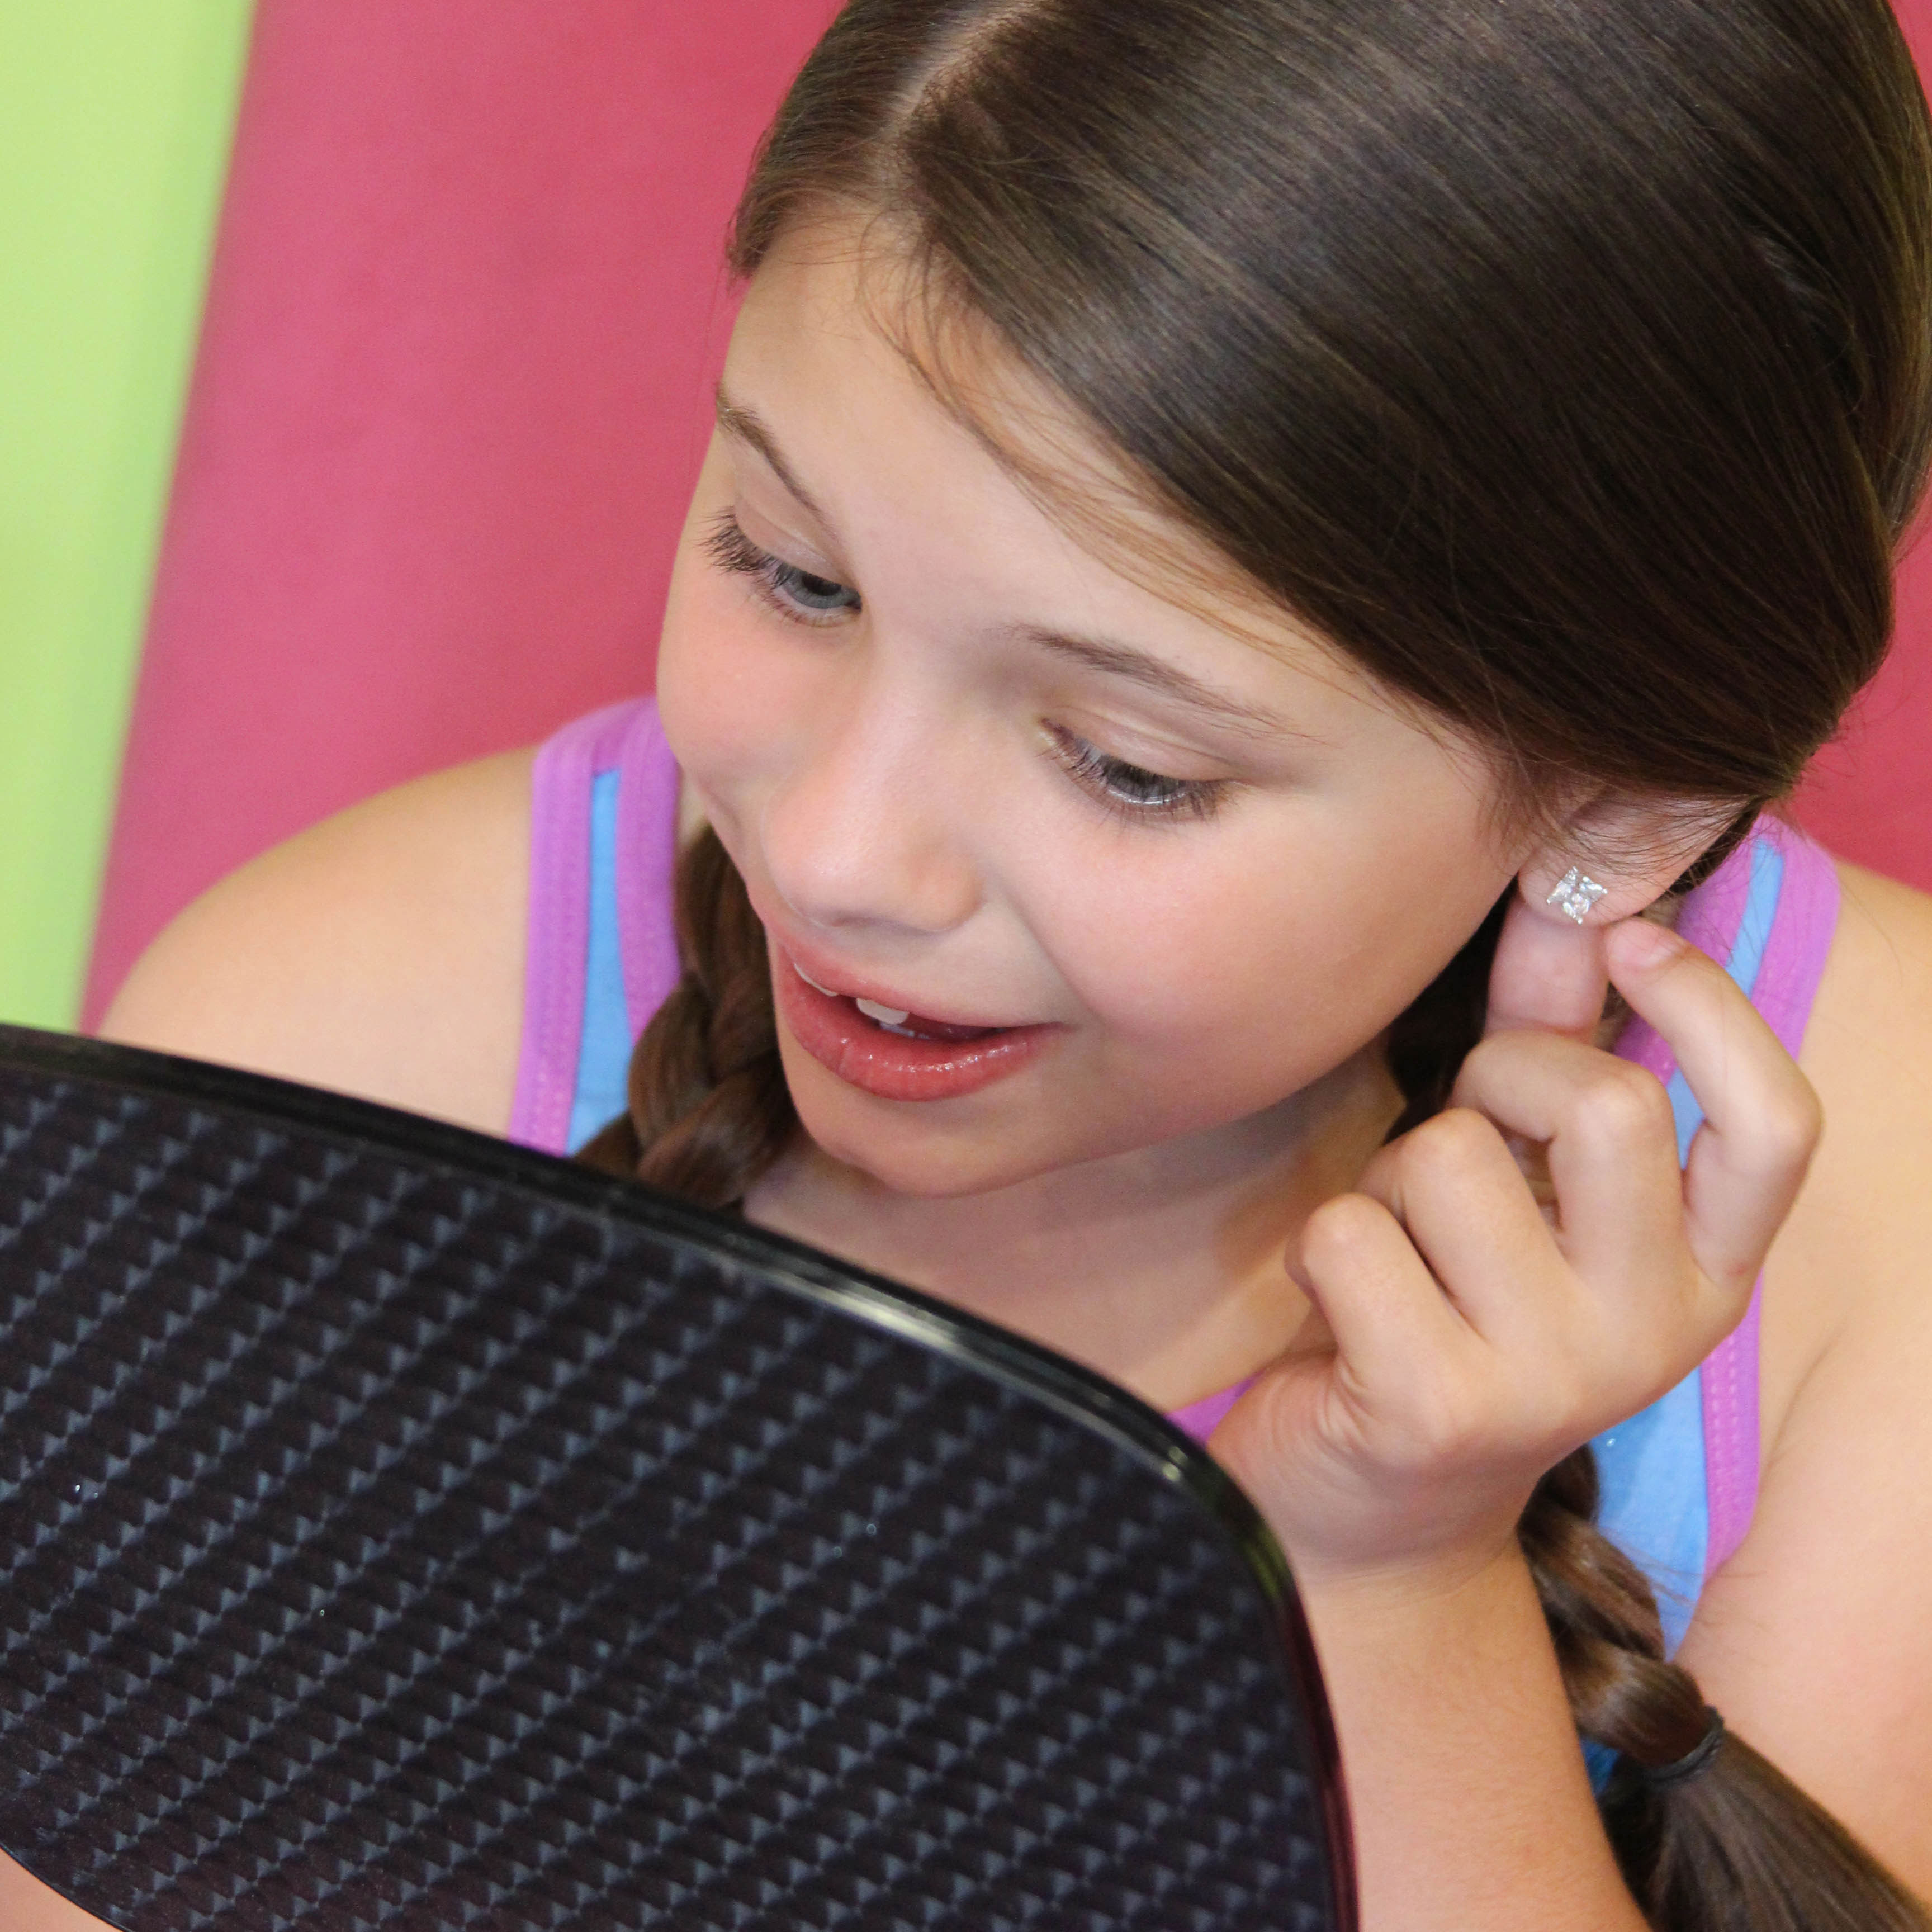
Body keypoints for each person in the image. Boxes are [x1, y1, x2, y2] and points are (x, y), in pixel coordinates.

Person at [80, 0, 1932, 1924]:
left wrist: (1400, 1579)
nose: (831, 856)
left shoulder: (1889, 1214)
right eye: (794, 569)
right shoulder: (343, 1042)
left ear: (1618, 815)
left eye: (1130, 765)